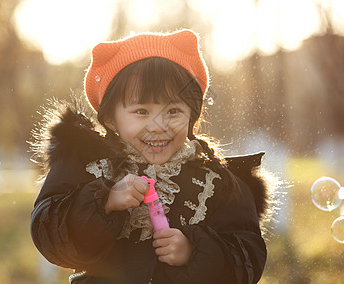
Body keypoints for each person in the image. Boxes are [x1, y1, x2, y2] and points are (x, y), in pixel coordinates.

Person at [30, 29, 274, 284]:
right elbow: (50, 238)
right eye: (142, 111)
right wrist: (105, 201)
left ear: (192, 115)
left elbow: (248, 259)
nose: (158, 126)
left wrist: (194, 250)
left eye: (173, 111)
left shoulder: (218, 183)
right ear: (111, 118)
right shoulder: (89, 168)